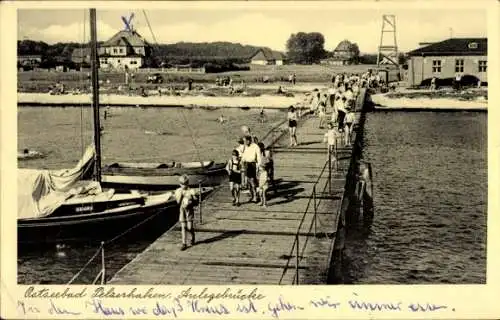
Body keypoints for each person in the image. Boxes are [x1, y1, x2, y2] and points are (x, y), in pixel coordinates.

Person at [174, 175, 197, 251]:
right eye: (182, 184)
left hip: (189, 210)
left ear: (188, 183)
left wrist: (194, 197)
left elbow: (195, 201)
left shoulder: (191, 190)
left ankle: (192, 237)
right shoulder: (178, 191)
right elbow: (178, 202)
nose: (184, 186)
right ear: (180, 184)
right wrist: (181, 195)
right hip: (182, 210)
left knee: (189, 227)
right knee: (183, 227)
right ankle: (184, 243)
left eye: (185, 184)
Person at [241, 135, 262, 203]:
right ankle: (252, 196)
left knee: (253, 181)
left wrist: (258, 167)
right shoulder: (245, 147)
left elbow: (259, 157)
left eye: (245, 141)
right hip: (246, 164)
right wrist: (242, 162)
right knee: (248, 182)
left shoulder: (255, 146)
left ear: (248, 140)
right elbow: (244, 156)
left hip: (253, 164)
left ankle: (256, 196)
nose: (244, 142)